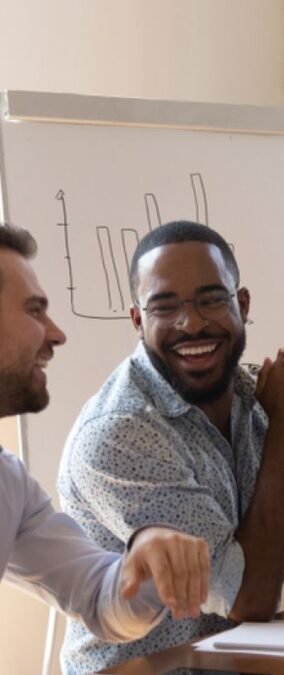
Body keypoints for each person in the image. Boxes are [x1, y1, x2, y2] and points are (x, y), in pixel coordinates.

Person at [57, 221, 284, 673]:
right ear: (138, 321)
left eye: (211, 299)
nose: (192, 322)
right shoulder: (121, 433)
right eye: (165, 306)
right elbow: (248, 599)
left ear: (242, 304)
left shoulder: (253, 395)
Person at [0, 222, 211, 642]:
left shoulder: (8, 483)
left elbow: (99, 597)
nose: (57, 334)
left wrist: (146, 562)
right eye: (34, 310)